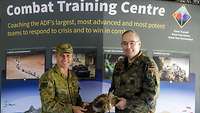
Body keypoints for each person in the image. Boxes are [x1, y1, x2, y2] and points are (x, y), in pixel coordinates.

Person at [109, 30, 160, 113]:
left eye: (132, 43)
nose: (128, 46)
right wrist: (111, 98)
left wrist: (127, 103)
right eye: (125, 43)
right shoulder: (119, 64)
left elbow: (151, 96)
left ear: (139, 44)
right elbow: (113, 88)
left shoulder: (148, 64)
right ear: (122, 45)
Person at [39, 43, 87, 113]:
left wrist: (81, 104)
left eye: (68, 56)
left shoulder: (73, 76)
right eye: (62, 55)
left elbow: (76, 96)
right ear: (56, 56)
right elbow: (47, 105)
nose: (65, 59)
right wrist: (71, 109)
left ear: (72, 57)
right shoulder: (48, 77)